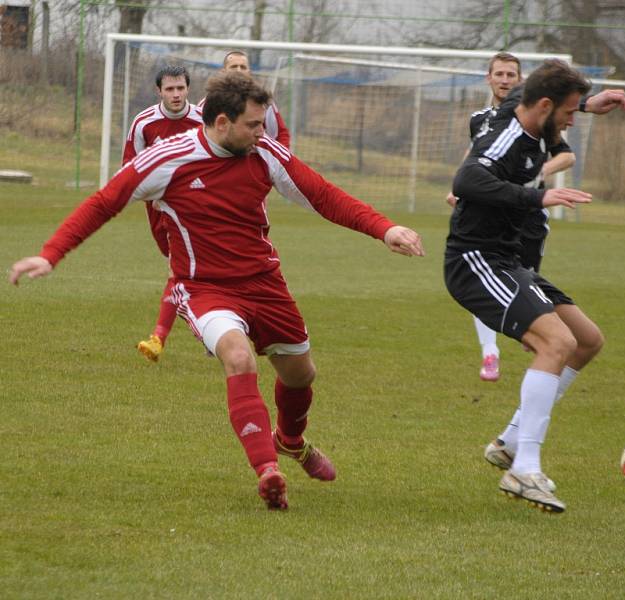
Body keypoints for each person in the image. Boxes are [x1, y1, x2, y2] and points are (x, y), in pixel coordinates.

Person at [10, 72, 425, 511]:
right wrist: (51, 254)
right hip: (203, 288)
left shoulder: (264, 153)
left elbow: (321, 194)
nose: (262, 132)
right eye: (253, 124)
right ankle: (268, 471)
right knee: (238, 356)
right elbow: (104, 202)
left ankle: (290, 440)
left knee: (301, 376)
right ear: (222, 123)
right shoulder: (167, 159)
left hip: (265, 283)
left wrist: (384, 228)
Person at [444, 59, 625, 513]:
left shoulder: (529, 114)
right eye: (566, 112)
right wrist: (537, 195)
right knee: (556, 341)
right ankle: (524, 468)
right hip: (476, 260)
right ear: (544, 107)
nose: (570, 121)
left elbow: (531, 92)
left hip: (510, 261)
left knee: (586, 340)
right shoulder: (506, 135)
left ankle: (509, 442)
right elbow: (466, 179)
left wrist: (587, 102)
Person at [137, 51, 292, 363]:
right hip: (173, 205)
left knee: (193, 268)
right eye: (233, 66)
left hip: (236, 203)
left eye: (243, 67)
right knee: (186, 269)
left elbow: (281, 139)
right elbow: (133, 169)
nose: (239, 71)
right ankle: (217, 326)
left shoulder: (263, 106)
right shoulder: (186, 116)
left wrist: (272, 171)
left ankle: (165, 336)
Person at [446, 52, 578, 383]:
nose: (505, 79)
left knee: (525, 289)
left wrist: (537, 176)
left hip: (529, 218)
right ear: (488, 78)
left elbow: (566, 155)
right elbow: (475, 159)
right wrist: (463, 186)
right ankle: (490, 350)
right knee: (490, 282)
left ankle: (531, 331)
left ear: (522, 81)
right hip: (495, 218)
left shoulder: (540, 123)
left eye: (511, 74)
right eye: (499, 74)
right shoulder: (482, 119)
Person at [124, 66, 205, 363]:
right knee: (185, 271)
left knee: (179, 269)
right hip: (158, 208)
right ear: (159, 91)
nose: (176, 94)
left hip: (196, 209)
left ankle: (159, 338)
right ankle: (210, 327)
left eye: (181, 88)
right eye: (170, 89)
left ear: (188, 89)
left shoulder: (201, 120)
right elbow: (130, 169)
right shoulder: (144, 123)